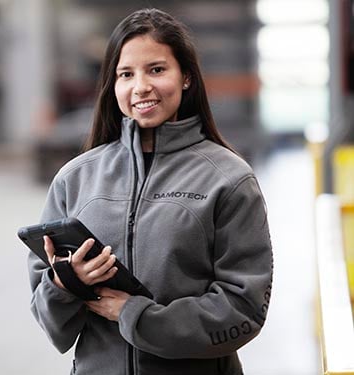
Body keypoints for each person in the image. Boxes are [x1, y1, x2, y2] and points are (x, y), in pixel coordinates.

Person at [28, 8, 273, 375]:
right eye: (126, 74)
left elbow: (244, 308)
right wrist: (64, 283)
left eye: (156, 69)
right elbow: (46, 312)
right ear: (113, 85)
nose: (141, 86)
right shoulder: (74, 178)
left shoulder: (229, 179)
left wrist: (137, 316)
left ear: (186, 76)